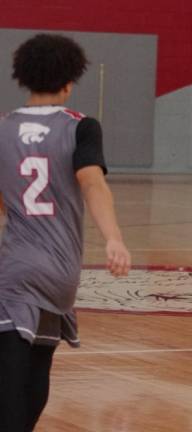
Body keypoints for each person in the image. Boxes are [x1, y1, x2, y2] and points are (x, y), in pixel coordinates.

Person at [0, 34, 131, 431]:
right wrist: (113, 237)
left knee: (7, 382)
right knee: (37, 371)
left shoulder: (3, 129)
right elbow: (92, 181)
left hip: (16, 272)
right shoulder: (82, 127)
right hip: (62, 275)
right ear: (70, 81)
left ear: (21, 77)